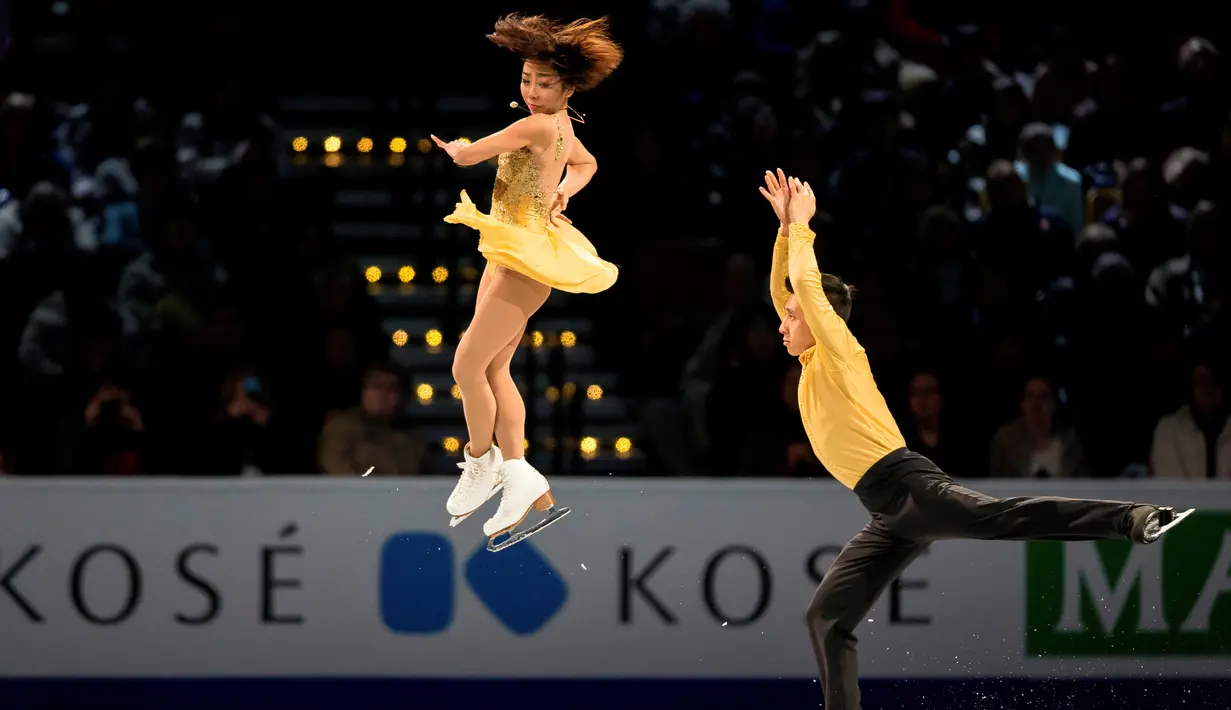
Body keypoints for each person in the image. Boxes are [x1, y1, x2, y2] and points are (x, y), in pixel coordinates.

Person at [757, 169, 1195, 710]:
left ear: (820, 318)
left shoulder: (838, 350)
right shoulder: (807, 353)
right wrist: (784, 229)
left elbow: (801, 284)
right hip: (886, 512)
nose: (782, 321)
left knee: (1003, 517)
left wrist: (802, 228)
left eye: (792, 315)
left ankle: (1131, 518)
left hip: (911, 488)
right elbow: (788, 286)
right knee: (826, 617)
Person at [429, 14, 623, 551]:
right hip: (513, 250)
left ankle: (480, 461)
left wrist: (454, 149)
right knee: (493, 368)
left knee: (466, 364)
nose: (531, 91)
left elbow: (471, 154)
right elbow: (587, 164)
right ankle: (520, 476)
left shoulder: (537, 125)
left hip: (523, 259)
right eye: (525, 80)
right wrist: (564, 190)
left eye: (543, 83)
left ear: (567, 87)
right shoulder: (562, 127)